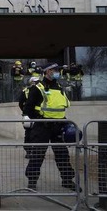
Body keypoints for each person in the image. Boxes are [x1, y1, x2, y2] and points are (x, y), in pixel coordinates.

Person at [24, 63, 81, 192]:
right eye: (54, 70)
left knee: (62, 155)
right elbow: (28, 108)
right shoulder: (38, 88)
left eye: (57, 70)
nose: (56, 72)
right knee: (37, 155)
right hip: (42, 126)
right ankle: (32, 181)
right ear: (47, 71)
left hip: (59, 126)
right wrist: (39, 119)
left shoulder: (60, 87)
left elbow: (61, 108)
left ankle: (67, 180)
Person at [18, 76, 40, 158]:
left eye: (37, 82)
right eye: (35, 82)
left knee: (38, 134)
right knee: (28, 134)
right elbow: (20, 103)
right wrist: (25, 112)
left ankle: (36, 151)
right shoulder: (25, 91)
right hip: (28, 115)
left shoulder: (41, 90)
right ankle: (29, 151)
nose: (36, 83)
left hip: (38, 115)